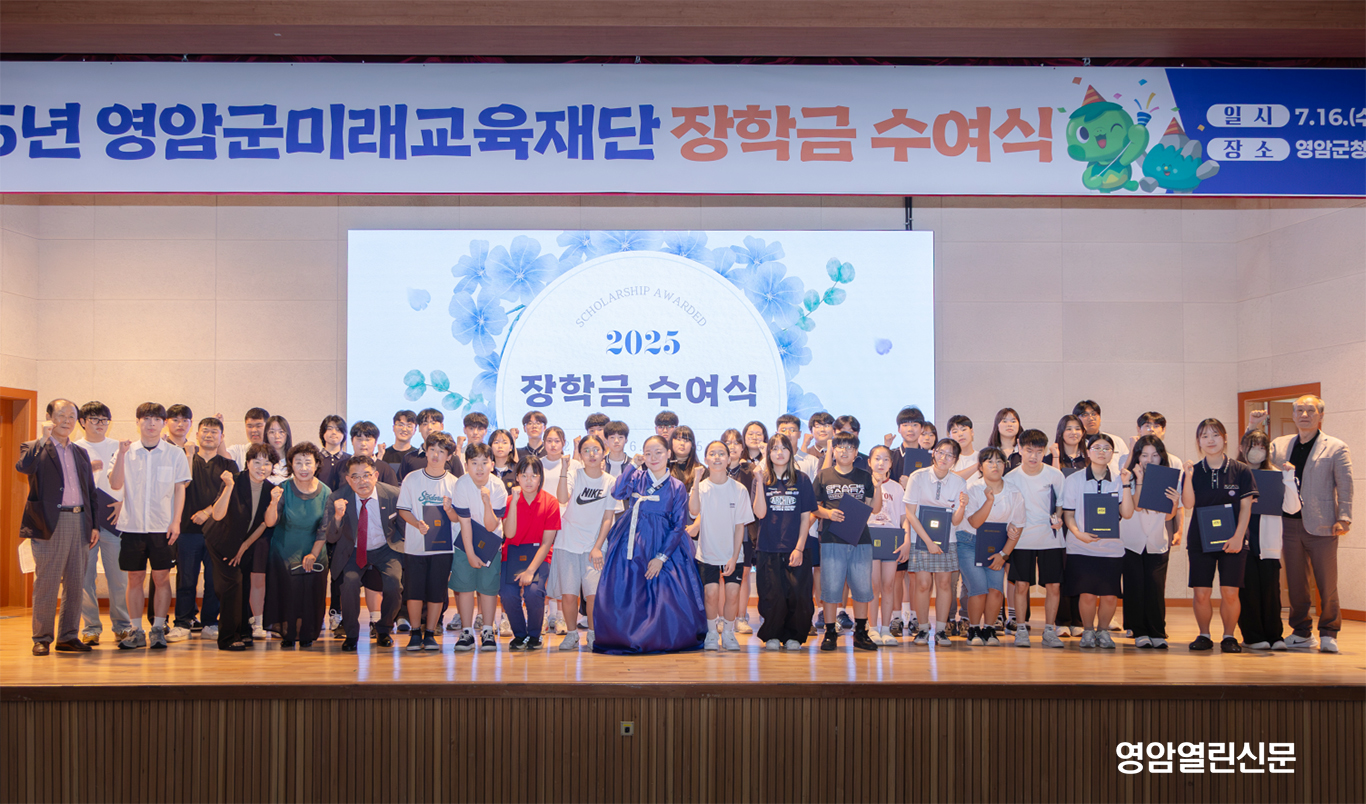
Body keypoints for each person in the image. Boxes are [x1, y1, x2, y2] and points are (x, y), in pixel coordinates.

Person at [1249, 396, 1353, 653]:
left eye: (1310, 410)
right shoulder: (1279, 444)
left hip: (1324, 524)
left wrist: (1344, 517)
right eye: (1300, 410)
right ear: (1293, 415)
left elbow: (1345, 485)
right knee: (1296, 583)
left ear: (1320, 415)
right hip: (1288, 524)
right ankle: (1301, 631)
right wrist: (1253, 426)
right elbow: (1251, 455)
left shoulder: (1336, 447)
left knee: (1327, 583)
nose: (1304, 414)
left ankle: (1329, 632)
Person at [592, 436, 707, 654]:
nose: (653, 457)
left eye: (658, 452)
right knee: (630, 588)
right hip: (633, 539)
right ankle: (626, 636)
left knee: (667, 591)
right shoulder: (636, 476)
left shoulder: (677, 486)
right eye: (648, 453)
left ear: (669, 455)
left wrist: (661, 557)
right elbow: (617, 492)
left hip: (666, 542)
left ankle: (663, 637)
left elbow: (678, 525)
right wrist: (631, 466)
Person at [17, 398, 99, 655]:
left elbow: (90, 491)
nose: (67, 421)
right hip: (49, 522)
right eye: (61, 415)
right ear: (49, 418)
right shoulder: (34, 447)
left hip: (80, 521)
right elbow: (24, 467)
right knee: (47, 581)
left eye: (71, 416)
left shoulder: (80, 452)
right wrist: (43, 439)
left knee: (76, 582)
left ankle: (68, 636)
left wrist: (94, 525)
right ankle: (41, 637)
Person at [110, 402, 192, 650]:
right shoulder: (126, 451)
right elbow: (115, 484)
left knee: (161, 578)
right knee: (134, 578)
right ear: (137, 422)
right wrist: (121, 454)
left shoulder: (175, 454)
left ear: (163, 423)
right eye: (146, 418)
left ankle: (158, 628)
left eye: (157, 419)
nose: (151, 424)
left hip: (162, 527)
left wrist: (176, 521)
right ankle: (136, 630)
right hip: (132, 527)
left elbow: (180, 489)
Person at [1181, 419, 1257, 654]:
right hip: (1200, 540)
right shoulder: (1194, 471)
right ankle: (1204, 635)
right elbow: (1188, 504)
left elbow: (1246, 507)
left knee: (1230, 592)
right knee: (1201, 593)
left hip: (1233, 541)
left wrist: (1238, 537)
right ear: (1198, 442)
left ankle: (1229, 637)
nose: (1210, 440)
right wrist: (1187, 477)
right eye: (1204, 436)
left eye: (1215, 435)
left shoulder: (1241, 470)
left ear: (1225, 438)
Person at [321, 455, 404, 651]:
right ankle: (351, 635)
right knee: (349, 585)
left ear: (375, 476)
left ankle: (384, 629)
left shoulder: (393, 495)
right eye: (355, 477)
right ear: (348, 480)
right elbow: (331, 537)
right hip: (353, 550)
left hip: (386, 549)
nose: (362, 481)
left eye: (366, 475)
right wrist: (338, 517)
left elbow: (404, 526)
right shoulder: (337, 497)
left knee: (394, 584)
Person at [1061, 434, 1135, 649]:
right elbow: (1068, 514)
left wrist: (1126, 485)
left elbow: (1127, 513)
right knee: (1087, 595)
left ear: (1112, 453)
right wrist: (1078, 534)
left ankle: (1103, 632)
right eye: (1097, 447)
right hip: (1081, 547)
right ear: (1088, 451)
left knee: (1110, 596)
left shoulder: (1119, 479)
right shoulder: (1074, 480)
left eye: (1106, 448)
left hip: (1111, 548)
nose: (1102, 452)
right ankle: (1088, 631)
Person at [812, 432, 884, 652]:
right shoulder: (823, 476)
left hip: (860, 540)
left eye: (849, 447)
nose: (844, 451)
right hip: (832, 539)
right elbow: (813, 507)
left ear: (856, 453)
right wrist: (828, 514)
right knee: (831, 588)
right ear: (833, 451)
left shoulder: (864, 476)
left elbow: (875, 508)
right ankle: (830, 633)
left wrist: (878, 486)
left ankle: (860, 633)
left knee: (862, 588)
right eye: (840, 447)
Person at [168, 416, 236, 643]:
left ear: (222, 437)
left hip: (217, 532)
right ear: (196, 435)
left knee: (214, 581)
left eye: (214, 432)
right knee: (186, 579)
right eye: (205, 431)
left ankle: (210, 623)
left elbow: (230, 496)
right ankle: (182, 623)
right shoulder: (184, 458)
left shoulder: (229, 465)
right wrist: (188, 455)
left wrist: (207, 512)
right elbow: (181, 485)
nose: (209, 435)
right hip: (187, 531)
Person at [206, 444, 275, 650]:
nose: (261, 467)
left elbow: (264, 524)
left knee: (244, 585)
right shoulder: (234, 481)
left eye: (267, 463)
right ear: (247, 463)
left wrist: (244, 546)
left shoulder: (269, 489)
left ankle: (244, 631)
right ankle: (227, 637)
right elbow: (217, 514)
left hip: (245, 542)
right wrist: (228, 487)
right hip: (221, 541)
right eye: (257, 462)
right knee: (232, 585)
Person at [396, 431, 461, 651]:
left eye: (441, 451)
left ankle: (431, 632)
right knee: (413, 591)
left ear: (449, 456)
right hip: (415, 547)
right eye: (432, 449)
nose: (435, 455)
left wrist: (449, 510)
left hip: (443, 548)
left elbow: (457, 518)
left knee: (437, 591)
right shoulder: (412, 478)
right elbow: (403, 509)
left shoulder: (455, 483)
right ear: (425, 450)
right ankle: (415, 633)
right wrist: (417, 524)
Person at [552, 435, 618, 651]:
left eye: (596, 449)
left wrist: (597, 546)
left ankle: (592, 633)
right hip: (568, 543)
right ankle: (571, 634)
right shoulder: (574, 474)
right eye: (586, 450)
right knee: (569, 595)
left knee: (593, 596)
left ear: (604, 452)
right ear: (580, 454)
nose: (591, 454)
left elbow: (608, 518)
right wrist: (564, 468)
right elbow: (562, 498)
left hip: (594, 548)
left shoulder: (610, 481)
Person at [1002, 429, 1067, 648]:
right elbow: (1007, 509)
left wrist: (1058, 518)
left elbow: (1060, 504)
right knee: (1021, 585)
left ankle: (1049, 631)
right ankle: (1021, 629)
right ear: (1019, 449)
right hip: (1022, 539)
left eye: (1039, 451)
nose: (1033, 456)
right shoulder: (1010, 478)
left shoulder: (1055, 475)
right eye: (1029, 450)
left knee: (1054, 586)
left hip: (1051, 538)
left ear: (1045, 451)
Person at [1236, 430, 1300, 651]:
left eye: (1261, 447)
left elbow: (1292, 508)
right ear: (1242, 448)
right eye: (1252, 446)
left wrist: (1289, 478)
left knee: (1271, 590)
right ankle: (1252, 636)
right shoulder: (1235, 473)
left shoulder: (1275, 474)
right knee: (1248, 590)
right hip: (1242, 540)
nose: (1257, 451)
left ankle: (1275, 636)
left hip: (1268, 541)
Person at [263, 442, 332, 648]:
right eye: (298, 462)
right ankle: (288, 634)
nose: (303, 468)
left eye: (308, 462)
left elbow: (324, 528)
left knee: (310, 595)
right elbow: (270, 522)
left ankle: (307, 634)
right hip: (284, 551)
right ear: (291, 465)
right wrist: (273, 502)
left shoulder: (326, 492)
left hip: (315, 551)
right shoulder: (282, 489)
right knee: (288, 593)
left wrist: (313, 554)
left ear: (316, 464)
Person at [74, 401, 131, 646]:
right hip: (83, 520)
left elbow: (135, 481)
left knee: (118, 578)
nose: (100, 424)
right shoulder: (73, 448)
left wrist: (124, 503)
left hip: (113, 518)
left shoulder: (120, 447)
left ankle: (123, 626)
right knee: (84, 579)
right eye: (94, 419)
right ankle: (91, 628)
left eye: (104, 420)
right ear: (82, 422)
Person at [752, 434, 817, 650]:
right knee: (772, 595)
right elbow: (760, 513)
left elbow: (806, 518)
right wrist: (759, 481)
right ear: (768, 453)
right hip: (768, 547)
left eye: (784, 448)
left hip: (796, 548)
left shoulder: (802, 479)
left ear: (791, 451)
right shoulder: (762, 479)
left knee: (798, 595)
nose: (779, 453)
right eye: (774, 449)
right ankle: (772, 634)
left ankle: (794, 636)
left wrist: (799, 547)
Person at [690, 441, 755, 651]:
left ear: (728, 459)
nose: (717, 457)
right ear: (706, 459)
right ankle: (711, 633)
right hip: (707, 553)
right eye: (712, 454)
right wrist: (696, 480)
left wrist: (734, 557)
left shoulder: (739, 489)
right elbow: (693, 511)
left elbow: (740, 526)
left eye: (721, 454)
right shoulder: (701, 487)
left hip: (732, 554)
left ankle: (728, 633)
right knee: (710, 594)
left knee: (733, 594)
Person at [958, 447, 1025, 646]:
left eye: (999, 461)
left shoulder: (1014, 491)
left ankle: (989, 629)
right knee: (978, 588)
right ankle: (973, 629)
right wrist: (989, 501)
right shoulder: (972, 488)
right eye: (989, 461)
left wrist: (1004, 554)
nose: (995, 465)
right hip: (969, 542)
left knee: (996, 590)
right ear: (980, 467)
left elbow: (1018, 525)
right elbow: (974, 522)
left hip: (996, 546)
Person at [904, 438, 967, 646]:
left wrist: (962, 507)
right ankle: (923, 629)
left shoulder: (959, 482)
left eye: (949, 455)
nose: (943, 458)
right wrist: (929, 542)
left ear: (955, 460)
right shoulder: (918, 476)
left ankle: (941, 631)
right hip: (921, 540)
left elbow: (956, 521)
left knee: (944, 584)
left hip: (947, 540)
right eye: (940, 452)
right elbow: (910, 514)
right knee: (922, 584)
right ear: (934, 453)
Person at [1120, 436, 1181, 649]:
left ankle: (1157, 632)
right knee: (1135, 587)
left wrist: (1174, 502)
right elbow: (1136, 507)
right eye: (1144, 455)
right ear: (1137, 456)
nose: (1149, 459)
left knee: (1155, 588)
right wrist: (1139, 480)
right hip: (1132, 542)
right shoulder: (1127, 477)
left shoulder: (1168, 478)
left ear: (1161, 457)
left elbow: (1168, 516)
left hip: (1157, 541)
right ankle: (1139, 631)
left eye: (1154, 455)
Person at [450, 444, 510, 651]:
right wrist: (469, 554)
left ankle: (487, 630)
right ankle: (466, 631)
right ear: (466, 464)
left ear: (492, 464)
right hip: (465, 543)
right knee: (465, 588)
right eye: (474, 463)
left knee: (488, 588)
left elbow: (492, 525)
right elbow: (464, 522)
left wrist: (486, 502)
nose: (479, 468)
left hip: (490, 544)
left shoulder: (498, 486)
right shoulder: (461, 484)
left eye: (484, 462)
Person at [501, 456, 561, 650]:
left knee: (534, 592)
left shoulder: (550, 502)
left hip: (539, 555)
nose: (528, 480)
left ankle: (535, 635)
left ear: (540, 478)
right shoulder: (509, 501)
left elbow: (547, 542)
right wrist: (514, 502)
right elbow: (509, 534)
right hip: (512, 553)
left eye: (533, 476)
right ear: (517, 477)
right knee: (507, 593)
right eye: (524, 475)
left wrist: (530, 571)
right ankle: (520, 635)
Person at [1045, 414, 1087, 637]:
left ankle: (1078, 619)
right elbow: (1051, 485)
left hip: (1082, 521)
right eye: (1068, 428)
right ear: (1060, 433)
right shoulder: (1050, 458)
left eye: (1077, 428)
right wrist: (1055, 457)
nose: (1073, 432)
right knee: (1059, 572)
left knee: (1079, 570)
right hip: (1058, 522)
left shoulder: (1088, 459)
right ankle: (1062, 620)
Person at [866, 445, 910, 644]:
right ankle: (872, 628)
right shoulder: (864, 484)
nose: (881, 463)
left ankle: (886, 629)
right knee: (873, 585)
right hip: (870, 536)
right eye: (877, 458)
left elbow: (903, 518)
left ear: (891, 463)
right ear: (869, 462)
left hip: (891, 539)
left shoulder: (897, 488)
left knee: (889, 584)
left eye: (885, 459)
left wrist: (906, 540)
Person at [400, 408, 465, 482]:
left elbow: (460, 485)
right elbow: (401, 485)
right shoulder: (409, 458)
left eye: (433, 423)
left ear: (442, 426)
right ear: (419, 428)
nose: (429, 427)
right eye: (425, 424)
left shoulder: (452, 458)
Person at [1073, 400, 1129, 472]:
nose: (1091, 418)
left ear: (1100, 418)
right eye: (1085, 415)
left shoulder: (1116, 441)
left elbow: (1127, 467)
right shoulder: (1074, 444)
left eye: (1094, 414)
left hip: (1114, 479)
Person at [885, 405, 927, 486]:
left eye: (915, 425)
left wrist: (911, 485)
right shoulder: (891, 455)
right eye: (905, 425)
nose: (910, 429)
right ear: (899, 429)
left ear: (922, 429)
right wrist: (886, 448)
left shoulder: (928, 457)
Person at [317, 415, 351, 492]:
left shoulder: (350, 460)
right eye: (329, 429)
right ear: (322, 433)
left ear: (344, 434)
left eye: (338, 429)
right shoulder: (315, 459)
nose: (334, 432)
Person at [382, 409, 418, 475]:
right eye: (401, 425)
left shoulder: (418, 456)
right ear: (393, 428)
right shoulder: (382, 455)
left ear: (414, 431)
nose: (404, 429)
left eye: (409, 426)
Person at [263, 415, 293, 486]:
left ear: (287, 434)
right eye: (272, 432)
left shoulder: (294, 459)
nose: (277, 436)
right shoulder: (261, 460)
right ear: (266, 435)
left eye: (281, 431)